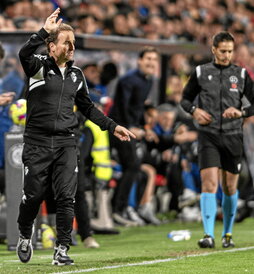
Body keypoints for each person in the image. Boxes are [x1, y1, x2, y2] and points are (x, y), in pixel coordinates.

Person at [16, 8, 135, 266]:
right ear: (51, 47)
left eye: (74, 43)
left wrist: (113, 126)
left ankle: (62, 249)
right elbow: (23, 53)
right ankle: (25, 233)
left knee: (66, 196)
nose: (72, 47)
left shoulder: (77, 75)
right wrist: (43, 31)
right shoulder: (37, 67)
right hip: (37, 142)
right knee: (33, 195)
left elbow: (88, 108)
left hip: (66, 143)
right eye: (66, 43)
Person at [181, 31, 254, 248]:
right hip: (208, 135)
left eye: (230, 51)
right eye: (223, 51)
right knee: (209, 183)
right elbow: (185, 100)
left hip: (233, 136)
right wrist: (195, 111)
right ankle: (208, 235)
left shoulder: (241, 74)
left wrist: (240, 112)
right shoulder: (201, 72)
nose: (227, 55)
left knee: (230, 188)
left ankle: (227, 234)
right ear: (213, 50)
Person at [108, 46, 159, 226]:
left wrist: (144, 127)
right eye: (148, 59)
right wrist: (129, 127)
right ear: (139, 61)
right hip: (116, 128)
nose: (151, 62)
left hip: (130, 128)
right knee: (132, 166)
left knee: (134, 167)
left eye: (154, 59)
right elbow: (122, 107)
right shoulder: (128, 80)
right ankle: (118, 209)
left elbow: (137, 109)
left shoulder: (148, 81)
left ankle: (124, 208)